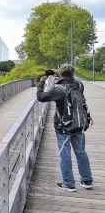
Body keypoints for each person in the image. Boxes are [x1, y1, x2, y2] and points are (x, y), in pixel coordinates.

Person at [36, 64, 93, 192]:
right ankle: (87, 180)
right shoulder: (79, 85)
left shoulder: (58, 90)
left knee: (65, 154)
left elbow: (41, 97)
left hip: (63, 127)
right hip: (79, 125)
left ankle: (68, 183)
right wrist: (58, 73)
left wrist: (41, 83)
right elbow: (68, 79)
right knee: (81, 152)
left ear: (61, 74)